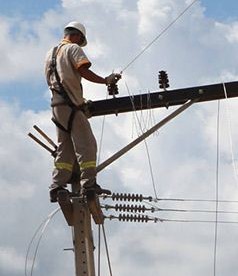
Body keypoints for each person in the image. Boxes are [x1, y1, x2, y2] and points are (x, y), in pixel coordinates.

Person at [45, 21, 121, 202]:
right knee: (87, 145)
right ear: (78, 36)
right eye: (81, 40)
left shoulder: (50, 53)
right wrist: (106, 81)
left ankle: (56, 186)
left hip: (57, 106)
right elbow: (83, 71)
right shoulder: (73, 49)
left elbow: (59, 78)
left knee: (66, 148)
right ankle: (89, 185)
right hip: (70, 105)